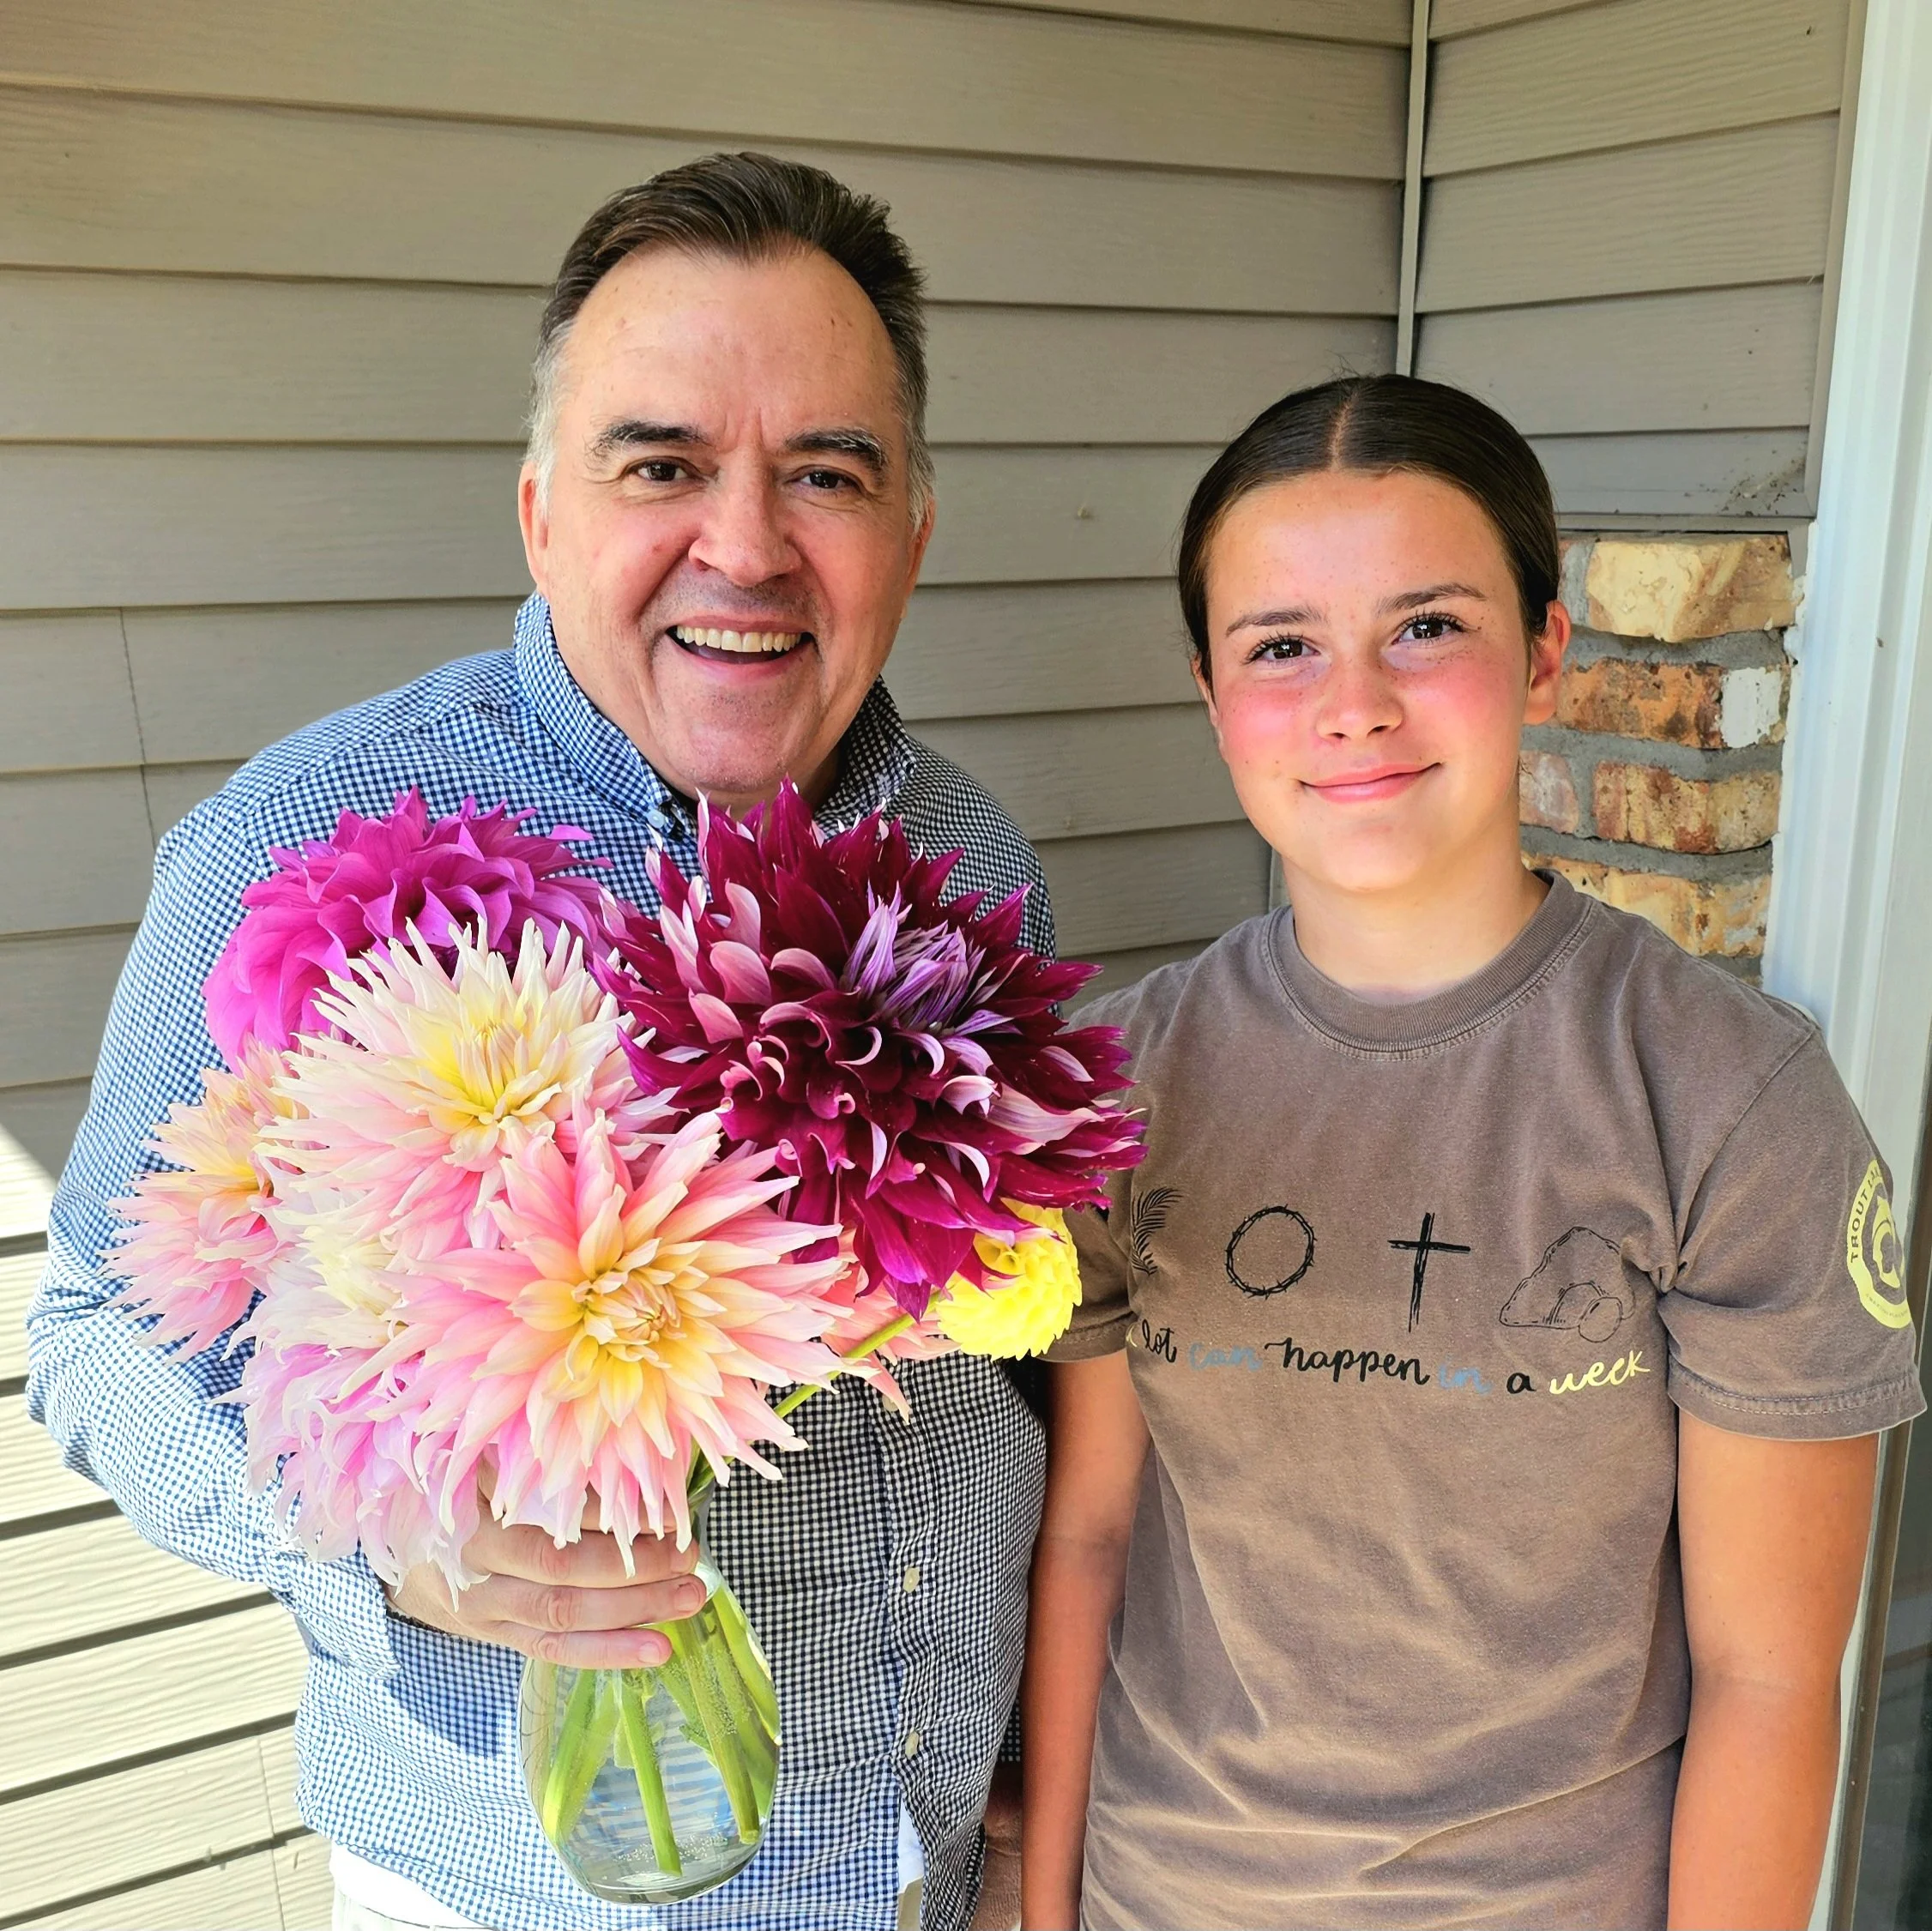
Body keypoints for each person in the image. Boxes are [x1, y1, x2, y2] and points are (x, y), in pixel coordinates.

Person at [28, 154, 1038, 1931]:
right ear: (540, 514)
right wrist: (382, 1548)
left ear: (913, 531)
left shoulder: (967, 851)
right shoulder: (307, 844)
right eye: (662, 465)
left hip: (930, 1863)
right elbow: (98, 1335)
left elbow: (998, 1328)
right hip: (532, 1890)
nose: (744, 545)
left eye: (826, 472)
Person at [1019, 375, 1923, 1931]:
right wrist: (1045, 1910)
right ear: (1210, 693)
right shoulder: (1119, 1080)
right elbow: (1092, 1534)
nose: (1352, 701)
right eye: (1282, 645)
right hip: (1165, 1893)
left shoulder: (1726, 1096)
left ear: (1547, 651)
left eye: (1426, 625)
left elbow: (1772, 1674)